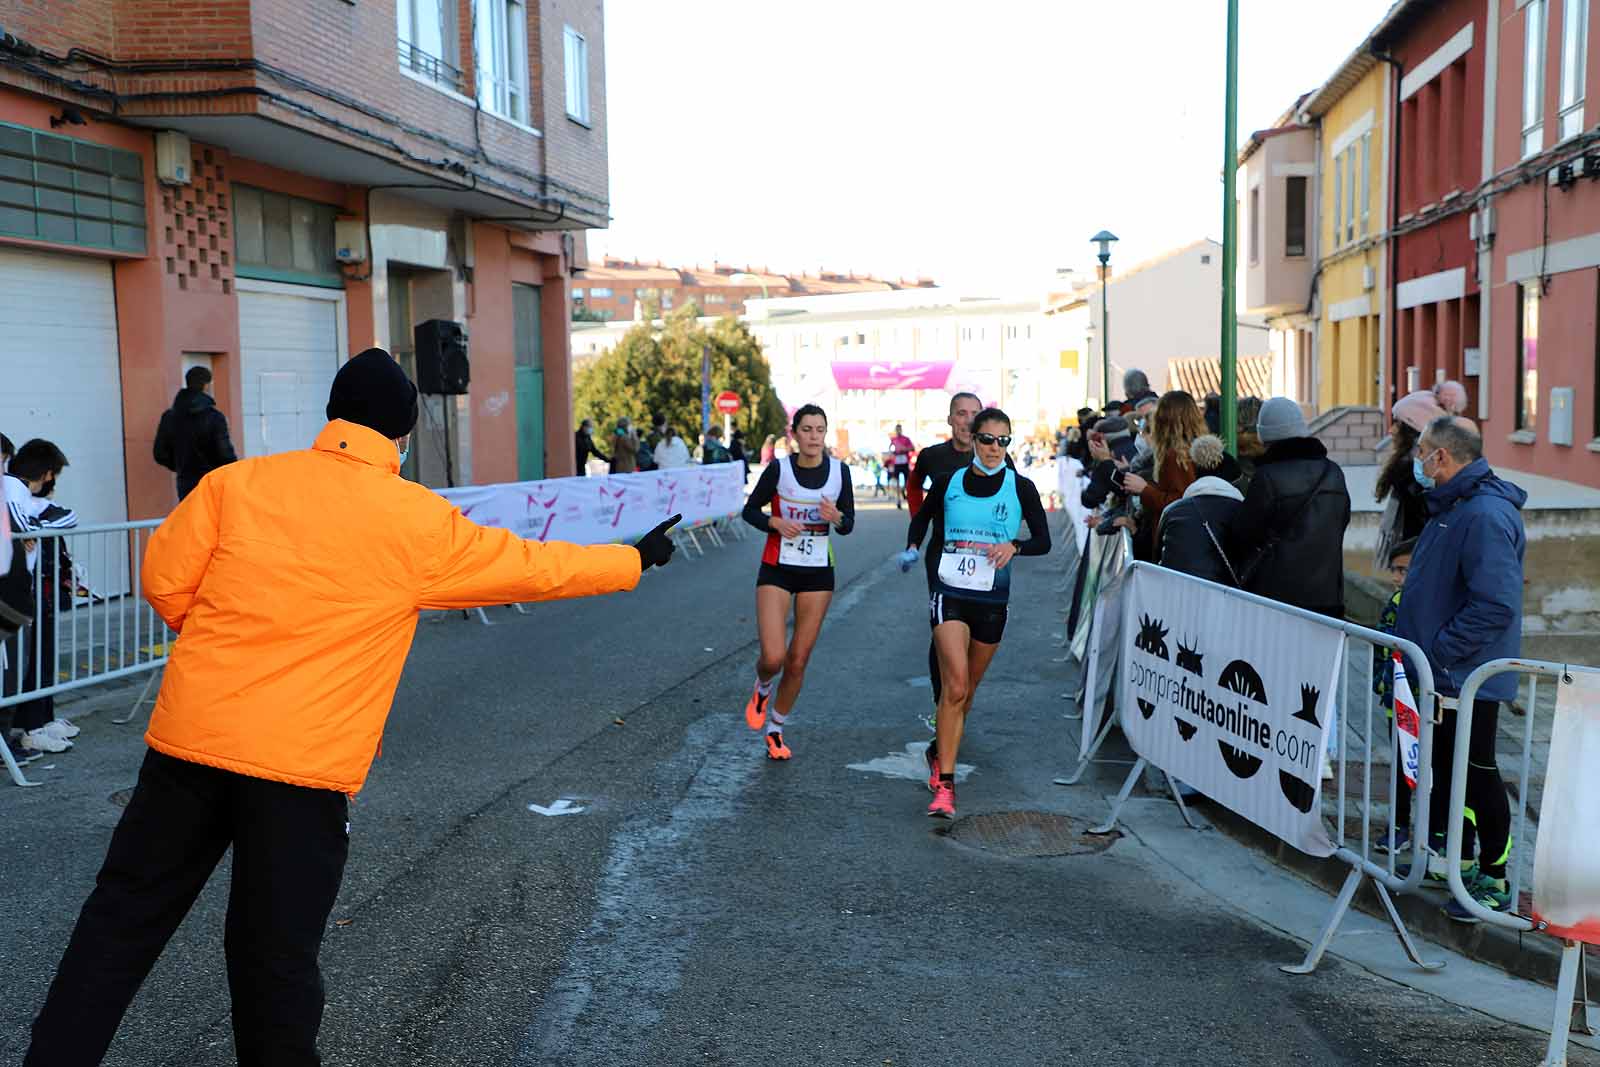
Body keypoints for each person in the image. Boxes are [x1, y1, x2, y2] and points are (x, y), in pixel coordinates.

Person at [22, 349, 682, 1066]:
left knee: (118, 924)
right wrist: (631, 560)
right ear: (401, 434)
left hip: (189, 744)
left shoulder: (236, 484)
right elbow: (532, 565)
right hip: (302, 775)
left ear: (331, 413)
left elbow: (164, 579)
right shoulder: (418, 521)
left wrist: (214, 635)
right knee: (274, 961)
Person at [1395, 416, 1525, 922]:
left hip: (1465, 676)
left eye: (1421, 451)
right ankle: (1461, 861)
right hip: (1445, 674)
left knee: (1477, 772)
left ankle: (1493, 876)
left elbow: (1496, 603)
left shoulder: (1484, 515)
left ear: (1442, 457)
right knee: (1450, 771)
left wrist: (1441, 652)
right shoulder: (1455, 506)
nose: (1417, 460)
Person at [902, 408, 1050, 818]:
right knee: (954, 686)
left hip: (991, 600)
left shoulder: (1021, 487)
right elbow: (924, 520)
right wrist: (913, 548)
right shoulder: (950, 483)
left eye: (1004, 441)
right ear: (973, 438)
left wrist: (1014, 546)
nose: (994, 448)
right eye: (988, 440)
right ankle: (946, 788)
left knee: (965, 694)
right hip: (949, 593)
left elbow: (1044, 540)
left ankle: (938, 752)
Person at [740, 405, 854, 761]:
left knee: (799, 659)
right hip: (777, 567)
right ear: (795, 434)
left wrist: (836, 517)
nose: (814, 437)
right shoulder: (779, 469)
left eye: (820, 430)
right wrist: (775, 523)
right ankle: (762, 687)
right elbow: (749, 510)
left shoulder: (839, 472)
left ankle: (776, 728)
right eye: (807, 430)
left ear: (825, 434)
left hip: (818, 571)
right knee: (774, 657)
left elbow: (848, 523)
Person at [906, 393, 1015, 710]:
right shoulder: (932, 456)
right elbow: (914, 487)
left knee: (976, 630)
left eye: (974, 414)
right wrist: (918, 523)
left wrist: (1007, 541)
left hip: (985, 558)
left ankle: (959, 699)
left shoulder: (998, 457)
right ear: (950, 419)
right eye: (961, 413)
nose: (968, 420)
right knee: (944, 630)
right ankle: (943, 700)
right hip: (943, 556)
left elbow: (1013, 499)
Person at [1227, 397, 1351, 619]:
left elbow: (1243, 535)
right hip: (1328, 597)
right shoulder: (1333, 473)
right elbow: (1341, 524)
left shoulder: (1267, 477)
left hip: (1278, 601)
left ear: (1264, 435)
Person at [4, 439, 79, 758]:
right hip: (11, 593)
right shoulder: (11, 486)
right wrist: (27, 531)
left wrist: (32, 527)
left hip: (19, 592)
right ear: (48, 474)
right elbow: (19, 525)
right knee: (12, 670)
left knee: (21, 665)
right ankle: (20, 735)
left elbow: (65, 517)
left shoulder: (16, 489)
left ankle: (27, 728)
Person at [1120, 390, 1206, 562]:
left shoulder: (1175, 455)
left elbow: (1179, 501)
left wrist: (1144, 489)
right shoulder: (1195, 449)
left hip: (1174, 541)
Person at [1372, 537, 1418, 853]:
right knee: (1402, 767)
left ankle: (1435, 832)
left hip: (1422, 702)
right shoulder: (1397, 602)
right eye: (1394, 570)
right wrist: (1380, 683)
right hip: (1397, 701)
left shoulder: (1425, 605)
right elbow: (1380, 643)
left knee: (1429, 768)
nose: (1395, 578)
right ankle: (1400, 826)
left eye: (1403, 570)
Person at [1374, 390, 1449, 567]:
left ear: (1412, 432)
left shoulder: (1416, 473)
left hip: (1420, 560)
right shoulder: (1417, 469)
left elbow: (1420, 526)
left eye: (1397, 424)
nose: (1391, 430)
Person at [153, 365, 238, 501]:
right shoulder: (214, 417)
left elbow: (160, 454)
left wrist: (182, 466)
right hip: (213, 483)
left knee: (191, 520)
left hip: (185, 484)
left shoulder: (169, 416)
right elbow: (225, 454)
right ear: (206, 386)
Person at [1157, 473, 1245, 586]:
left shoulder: (1172, 510)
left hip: (1175, 585)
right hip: (1222, 590)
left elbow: (1157, 552)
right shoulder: (1241, 511)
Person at [887, 423, 915, 508]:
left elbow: (912, 448)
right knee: (897, 481)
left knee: (907, 481)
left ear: (901, 430)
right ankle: (898, 500)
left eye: (899, 429)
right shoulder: (893, 439)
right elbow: (890, 449)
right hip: (897, 462)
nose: (898, 431)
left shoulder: (906, 439)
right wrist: (893, 452)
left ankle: (904, 491)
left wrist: (904, 449)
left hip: (905, 462)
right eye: (897, 430)